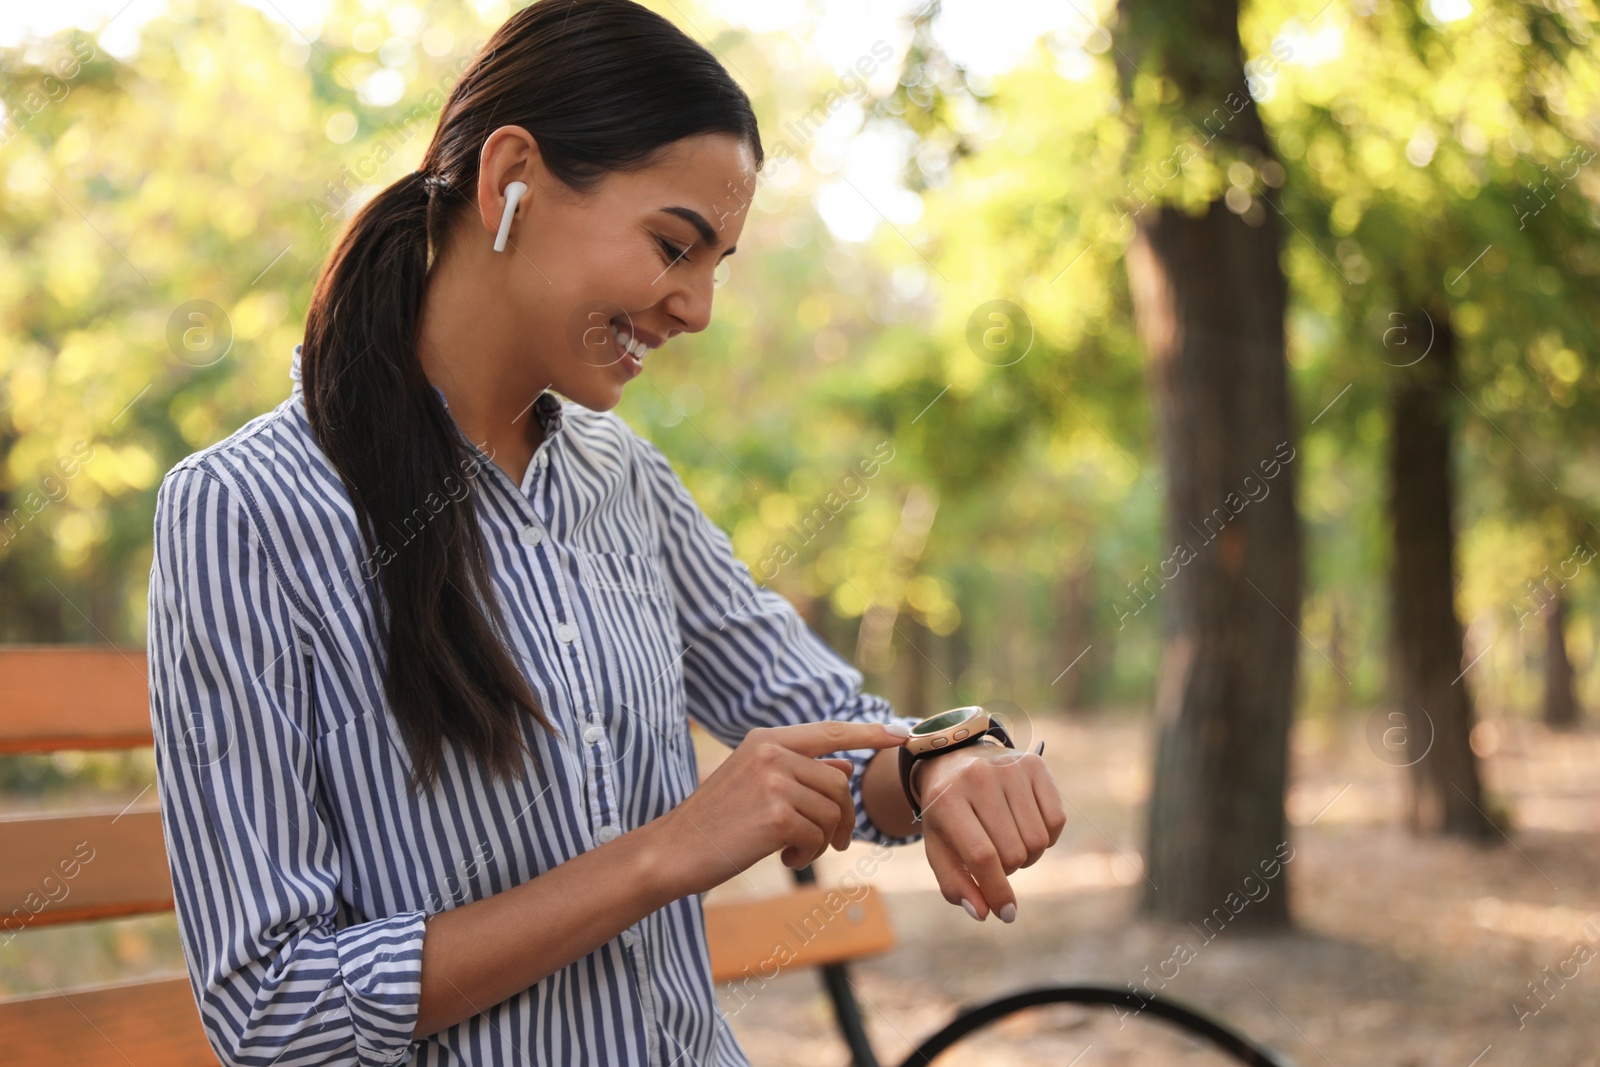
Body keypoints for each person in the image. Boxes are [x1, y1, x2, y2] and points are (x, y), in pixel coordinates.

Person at [145, 1, 1064, 1064]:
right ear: (511, 181)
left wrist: (949, 763)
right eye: (675, 245)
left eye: (717, 262)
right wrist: (660, 855)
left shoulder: (620, 477)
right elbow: (272, 1010)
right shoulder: (247, 509)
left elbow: (840, 736)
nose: (698, 307)